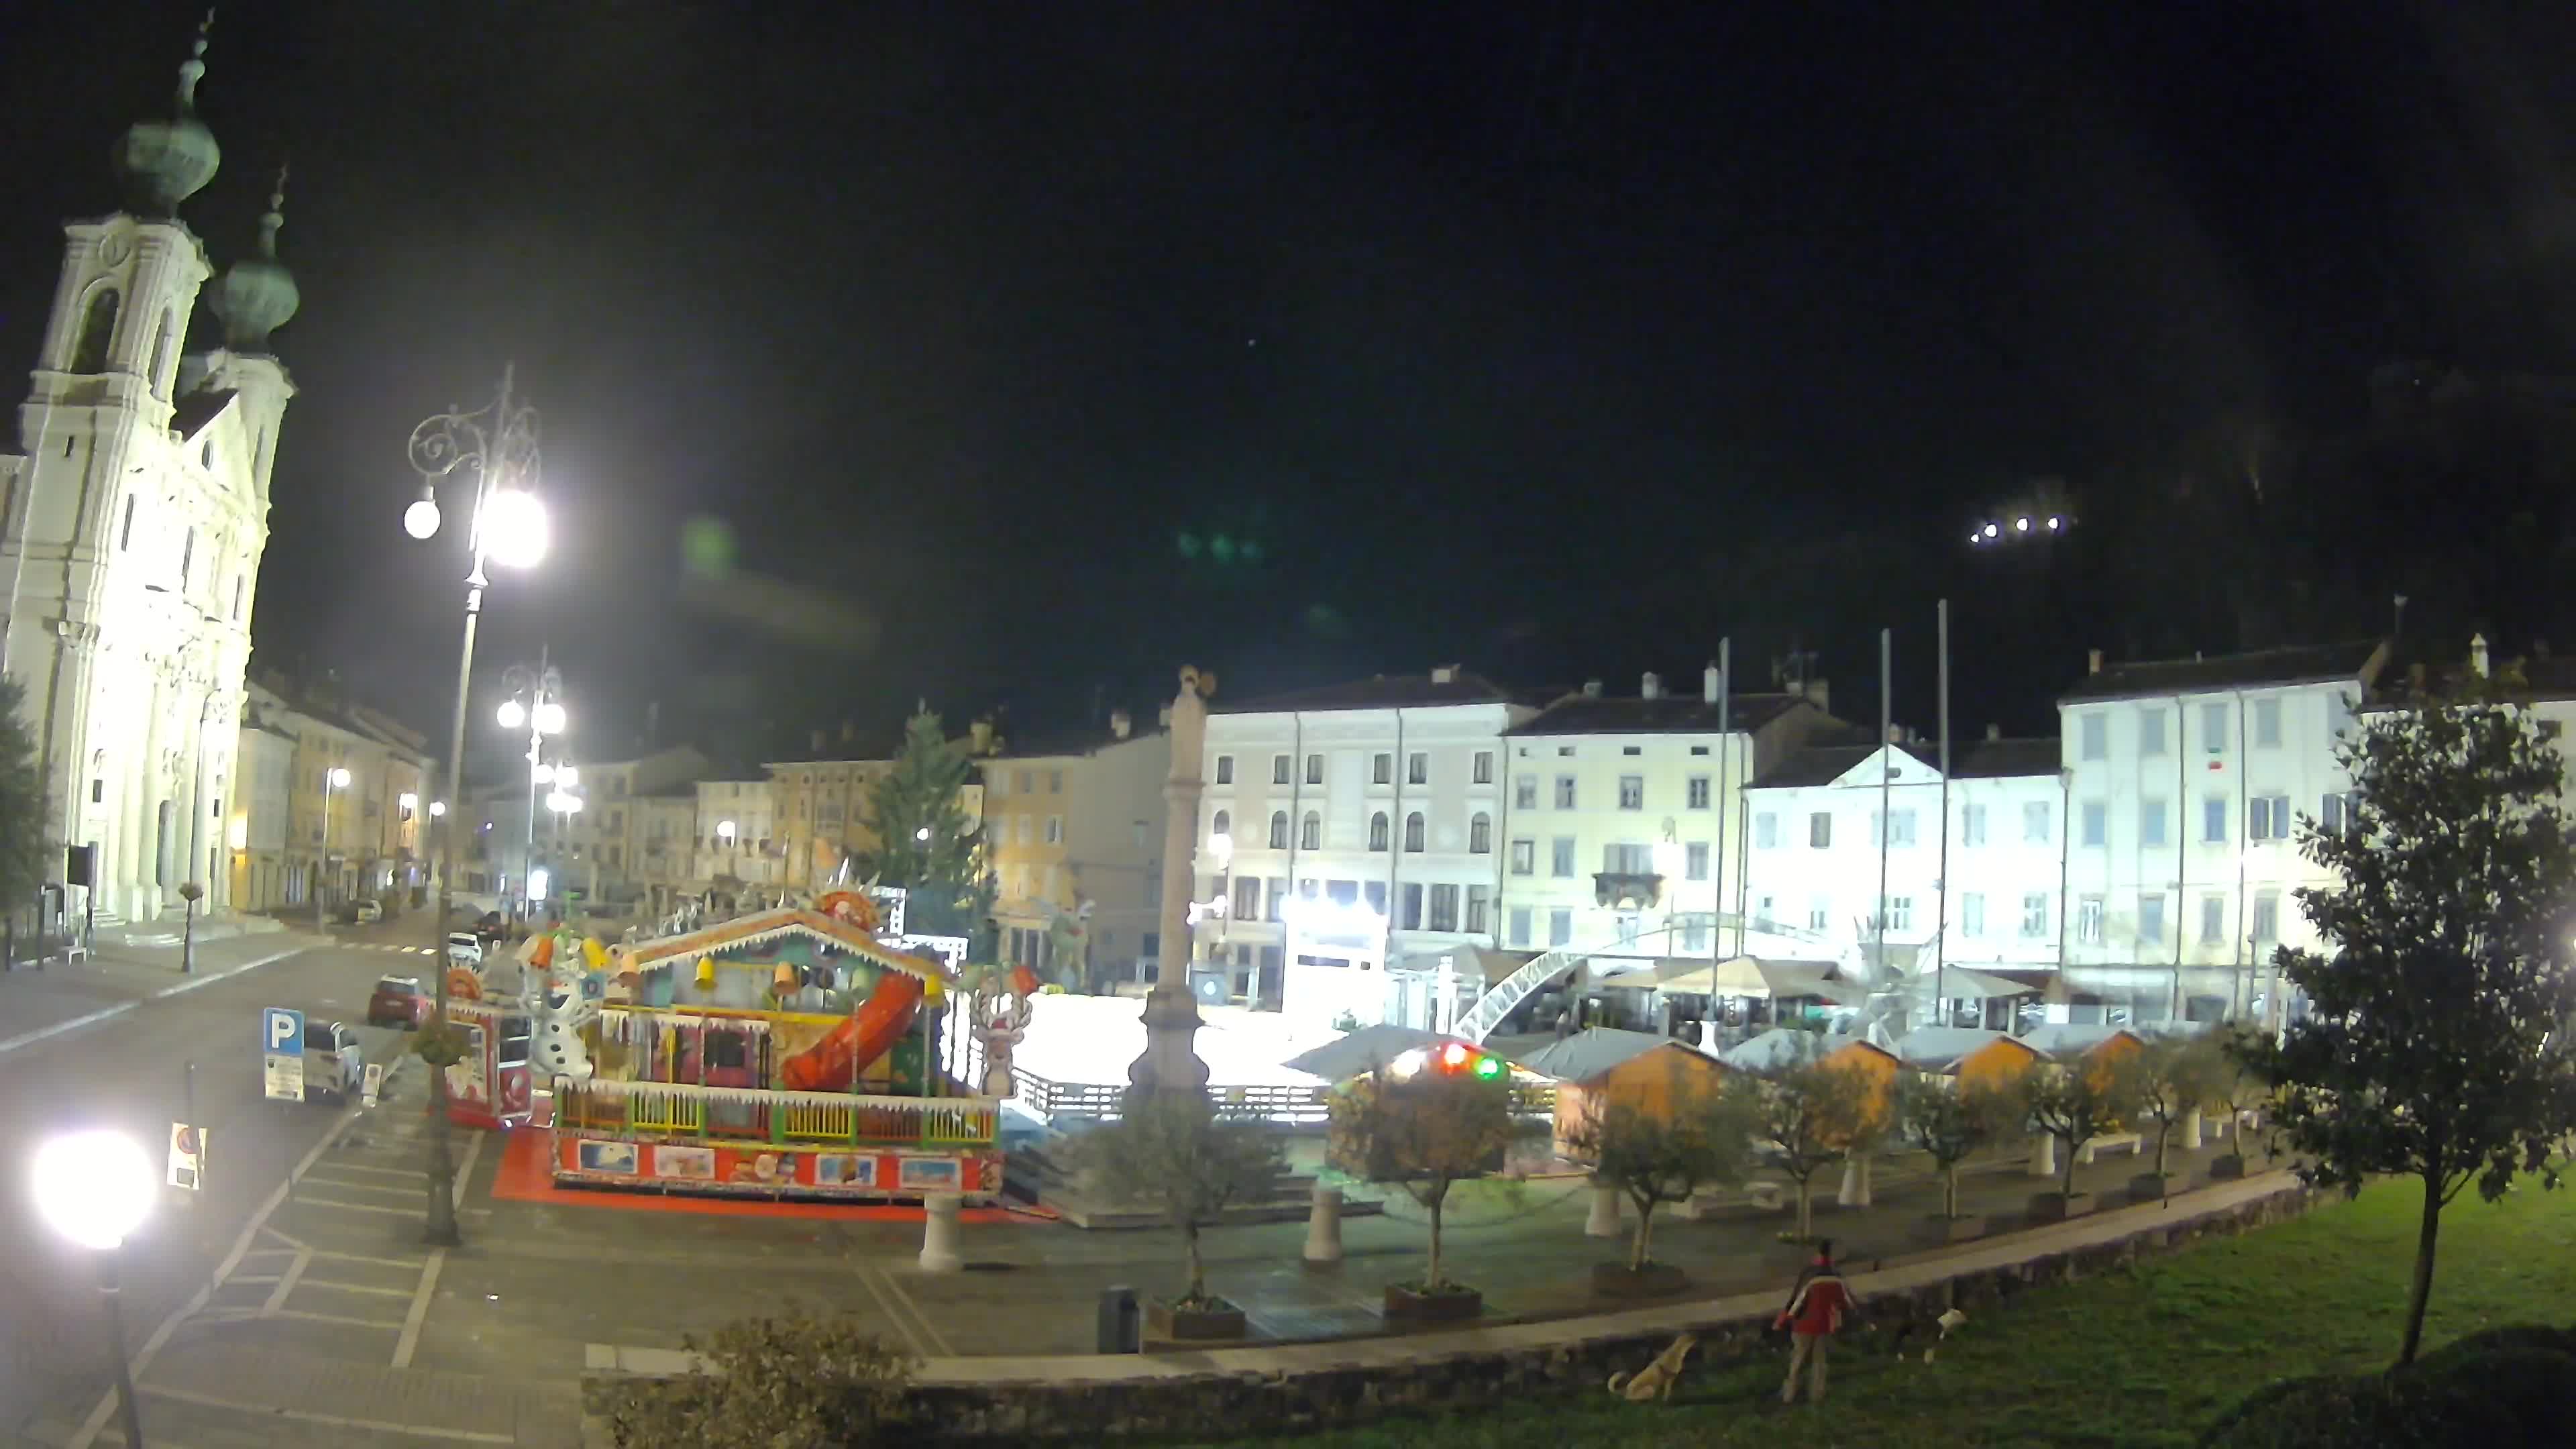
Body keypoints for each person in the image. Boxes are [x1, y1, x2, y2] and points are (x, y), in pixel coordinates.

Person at [1774, 1240, 1858, 1405]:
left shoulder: (1810, 1275)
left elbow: (1797, 1302)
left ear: (1817, 1254)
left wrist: (1783, 1320)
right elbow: (1847, 1303)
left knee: (1798, 1359)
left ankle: (1790, 1395)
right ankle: (1817, 1395)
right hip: (1825, 1326)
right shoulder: (1837, 1276)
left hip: (1804, 1325)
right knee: (1820, 1361)